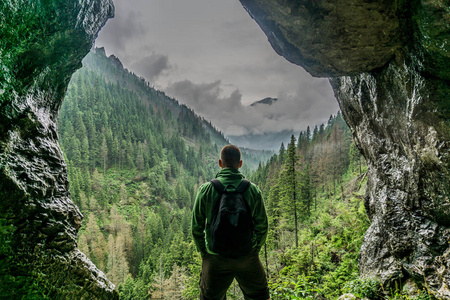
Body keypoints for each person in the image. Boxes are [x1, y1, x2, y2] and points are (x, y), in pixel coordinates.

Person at [192, 144, 270, 300]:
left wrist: (204, 254)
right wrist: (255, 249)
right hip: (247, 257)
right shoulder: (253, 190)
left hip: (215, 258)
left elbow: (196, 227)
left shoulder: (206, 190)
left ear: (220, 163)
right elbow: (262, 226)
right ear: (240, 164)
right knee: (260, 296)